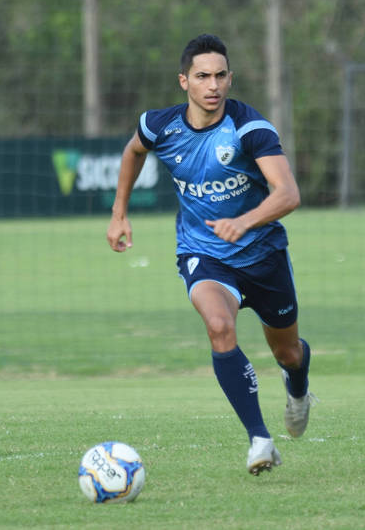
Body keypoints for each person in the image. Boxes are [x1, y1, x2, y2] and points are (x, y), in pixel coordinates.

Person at [106, 34, 314, 476]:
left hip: (264, 255)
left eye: (221, 76)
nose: (213, 85)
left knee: (288, 352)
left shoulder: (248, 129)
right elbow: (133, 151)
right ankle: (260, 439)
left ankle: (298, 389)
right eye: (202, 76)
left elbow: (288, 193)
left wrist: (246, 222)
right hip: (204, 254)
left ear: (230, 79)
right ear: (185, 81)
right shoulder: (160, 126)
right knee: (220, 327)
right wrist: (119, 213)